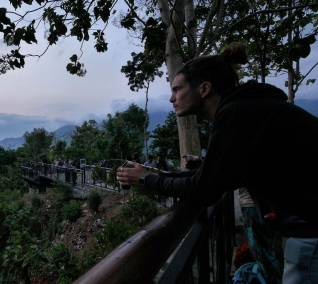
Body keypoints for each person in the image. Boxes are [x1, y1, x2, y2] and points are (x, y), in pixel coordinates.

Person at [116, 42, 318, 283]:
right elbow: (218, 178)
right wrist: (152, 175)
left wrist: (146, 179)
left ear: (204, 89)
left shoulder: (236, 114)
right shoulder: (250, 108)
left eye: (177, 89)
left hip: (310, 230)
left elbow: (204, 190)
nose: (171, 98)